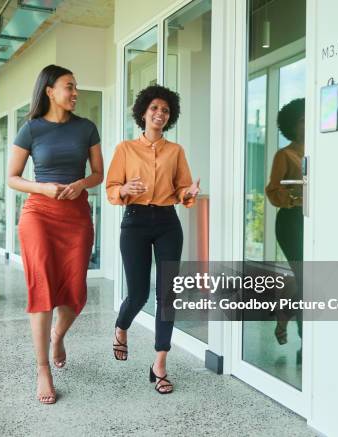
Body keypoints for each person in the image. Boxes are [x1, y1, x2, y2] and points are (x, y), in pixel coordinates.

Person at [8, 65, 104, 404]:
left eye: (76, 87)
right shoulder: (31, 129)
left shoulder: (86, 128)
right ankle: (42, 368)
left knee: (75, 292)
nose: (75, 92)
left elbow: (98, 174)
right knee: (42, 288)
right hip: (39, 214)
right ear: (50, 90)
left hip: (76, 216)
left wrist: (80, 184)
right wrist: (43, 188)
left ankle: (58, 336)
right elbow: (13, 177)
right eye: (69, 86)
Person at [106, 85, 199, 394]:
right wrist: (123, 191)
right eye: (155, 108)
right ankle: (122, 326)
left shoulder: (176, 151)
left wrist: (189, 194)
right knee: (138, 294)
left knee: (168, 296)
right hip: (134, 222)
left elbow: (182, 189)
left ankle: (159, 364)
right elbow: (111, 189)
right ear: (143, 113)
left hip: (167, 223)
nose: (160, 114)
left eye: (166, 111)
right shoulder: (124, 149)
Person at [265, 98, 305, 356]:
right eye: (301, 120)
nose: (306, 124)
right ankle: (308, 341)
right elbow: (272, 191)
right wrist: (298, 199)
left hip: (318, 223)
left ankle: (284, 315)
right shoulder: (285, 154)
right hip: (292, 222)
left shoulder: (322, 151)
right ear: (292, 125)